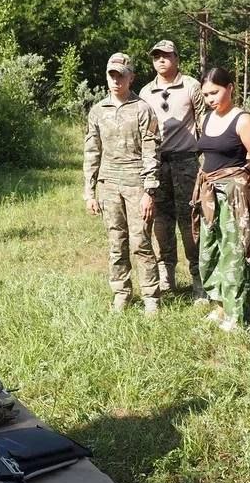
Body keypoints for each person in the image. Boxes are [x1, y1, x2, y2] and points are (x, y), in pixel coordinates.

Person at [85, 52, 162, 314]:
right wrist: (89, 191)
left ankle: (151, 295)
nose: (116, 80)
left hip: (136, 183)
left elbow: (151, 151)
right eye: (112, 75)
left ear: (131, 78)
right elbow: (92, 151)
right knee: (116, 242)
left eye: (121, 75)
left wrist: (149, 191)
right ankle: (121, 292)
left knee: (141, 241)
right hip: (109, 185)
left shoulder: (143, 109)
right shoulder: (97, 111)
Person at [193, 66, 250, 330]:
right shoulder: (206, 119)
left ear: (230, 88)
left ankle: (237, 314)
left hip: (234, 195)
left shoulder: (243, 120)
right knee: (209, 250)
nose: (211, 98)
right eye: (206, 94)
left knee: (234, 252)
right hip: (209, 193)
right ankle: (218, 305)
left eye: (215, 92)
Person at [139, 39, 206, 298]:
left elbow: (203, 122)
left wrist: (205, 159)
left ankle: (198, 277)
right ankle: (167, 275)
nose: (161, 60)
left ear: (177, 58)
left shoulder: (190, 86)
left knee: (190, 220)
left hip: (186, 161)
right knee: (161, 221)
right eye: (156, 56)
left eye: (166, 56)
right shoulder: (145, 93)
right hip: (157, 164)